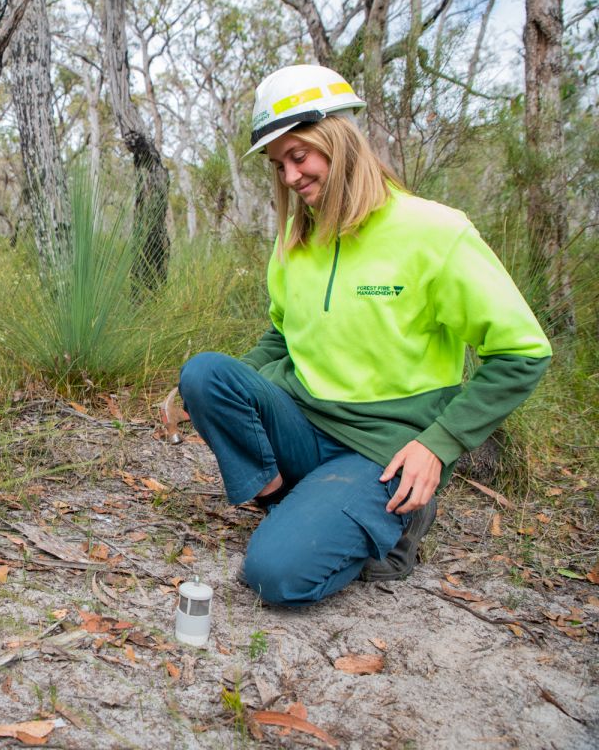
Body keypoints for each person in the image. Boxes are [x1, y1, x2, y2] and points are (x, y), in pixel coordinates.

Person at [176, 64, 552, 607]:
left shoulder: (434, 231)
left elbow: (522, 352)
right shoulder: (294, 239)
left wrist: (438, 446)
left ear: (339, 138)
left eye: (299, 155)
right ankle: (293, 505)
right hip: (305, 422)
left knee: (275, 576)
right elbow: (282, 337)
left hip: (386, 447)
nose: (289, 177)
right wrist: (202, 397)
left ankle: (398, 518)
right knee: (205, 374)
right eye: (278, 164)